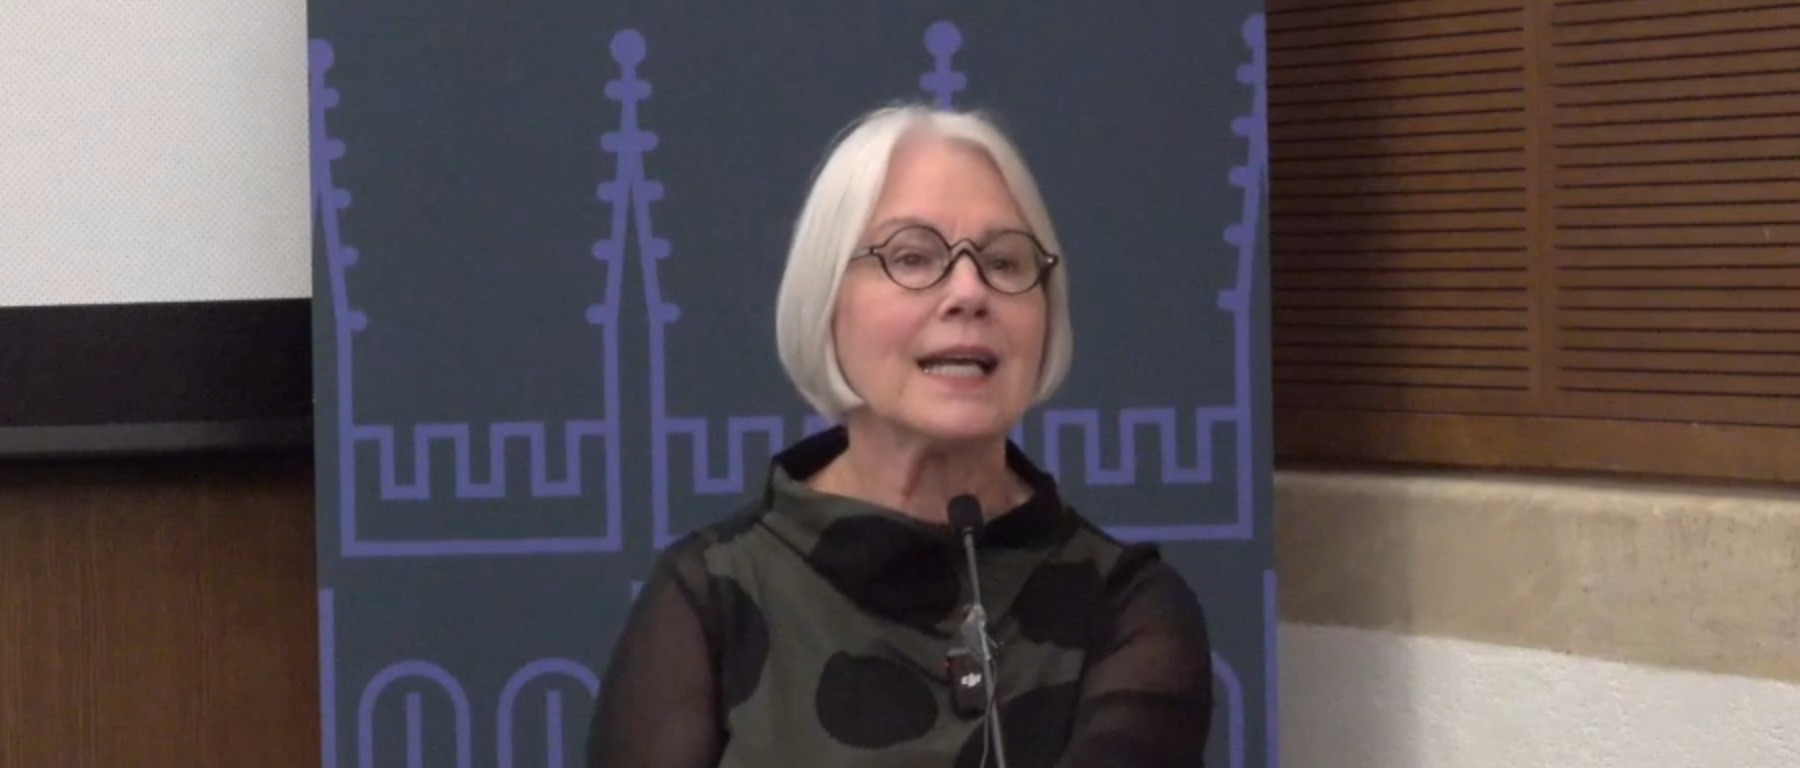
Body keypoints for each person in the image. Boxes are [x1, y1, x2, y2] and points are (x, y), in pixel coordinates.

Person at [585, 102, 1214, 768]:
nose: (969, 292)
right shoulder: (711, 599)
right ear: (826, 302)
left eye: (1004, 263)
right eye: (913, 257)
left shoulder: (1126, 608)